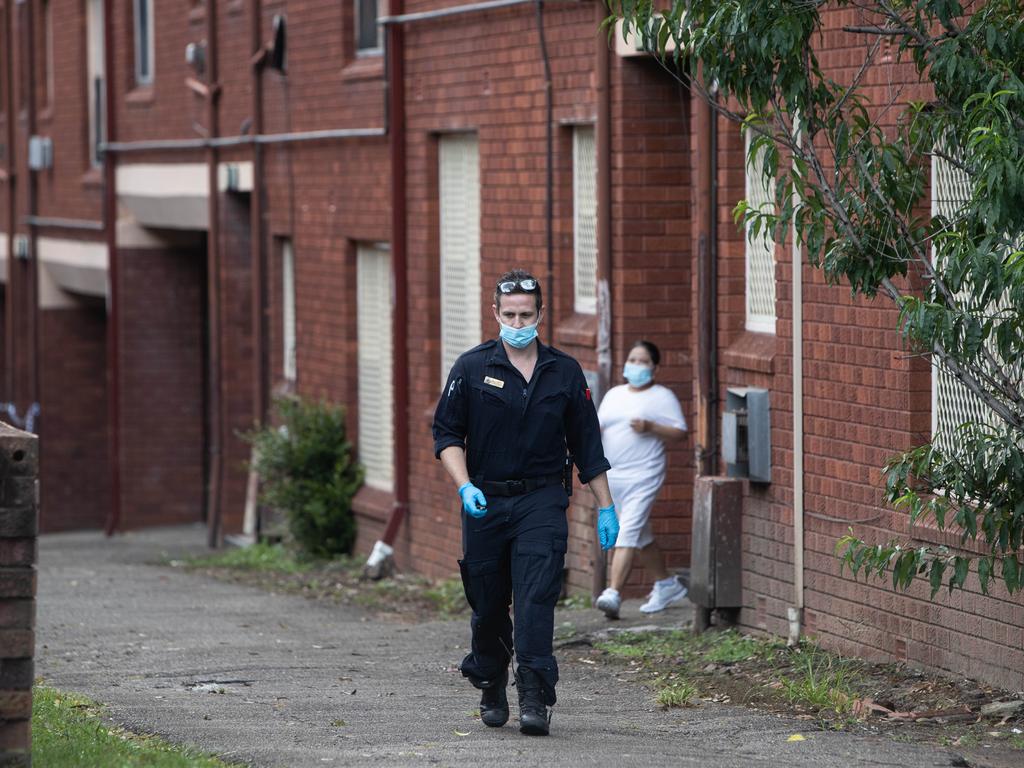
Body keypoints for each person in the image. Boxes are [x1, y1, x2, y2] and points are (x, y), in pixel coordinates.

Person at [432, 269, 619, 736]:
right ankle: (491, 678)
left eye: (526, 314)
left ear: (540, 314)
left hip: (541, 499)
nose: (518, 321)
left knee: (536, 599)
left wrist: (606, 506)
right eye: (509, 313)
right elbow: (447, 434)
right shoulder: (472, 368)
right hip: (486, 502)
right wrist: (464, 484)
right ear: (495, 313)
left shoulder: (564, 372)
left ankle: (534, 694)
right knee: (489, 603)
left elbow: (588, 445)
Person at [594, 340, 688, 619]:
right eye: (632, 359)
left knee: (627, 530)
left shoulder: (662, 396)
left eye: (643, 361)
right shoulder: (614, 394)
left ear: (655, 368)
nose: (635, 365)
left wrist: (650, 426)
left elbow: (680, 432)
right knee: (640, 534)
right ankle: (667, 583)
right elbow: (599, 425)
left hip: (643, 474)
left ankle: (612, 592)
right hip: (613, 475)